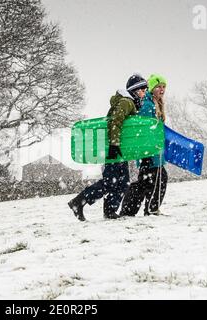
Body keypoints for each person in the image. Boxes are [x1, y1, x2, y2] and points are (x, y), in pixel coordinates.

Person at [68, 74, 148, 221]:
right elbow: (115, 121)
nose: (145, 92)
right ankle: (79, 202)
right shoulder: (126, 102)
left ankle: (109, 211)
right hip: (113, 147)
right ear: (135, 90)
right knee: (110, 182)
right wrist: (114, 144)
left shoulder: (130, 103)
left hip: (118, 149)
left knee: (122, 182)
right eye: (143, 89)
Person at [120, 74, 168, 217]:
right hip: (149, 151)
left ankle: (130, 211)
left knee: (145, 182)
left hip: (151, 150)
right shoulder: (148, 105)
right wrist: (150, 147)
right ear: (152, 88)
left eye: (164, 87)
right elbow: (143, 129)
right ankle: (151, 210)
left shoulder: (154, 103)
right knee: (158, 178)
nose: (162, 89)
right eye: (159, 86)